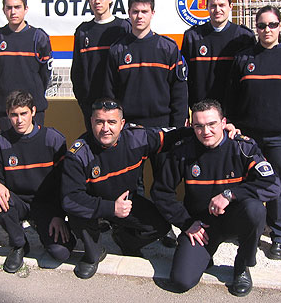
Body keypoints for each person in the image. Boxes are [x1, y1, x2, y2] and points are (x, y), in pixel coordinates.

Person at [151, 99, 280, 297]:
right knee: (181, 281)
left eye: (212, 124)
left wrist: (230, 194)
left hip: (234, 219)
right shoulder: (182, 151)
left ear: (223, 122)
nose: (206, 131)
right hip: (201, 226)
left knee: (255, 209)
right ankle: (204, 255)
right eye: (199, 126)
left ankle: (242, 267)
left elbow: (272, 184)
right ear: (191, 126)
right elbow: (161, 192)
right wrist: (186, 223)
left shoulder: (242, 147)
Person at [61, 98, 189, 279]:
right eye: (99, 122)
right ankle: (93, 254)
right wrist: (110, 208)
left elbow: (172, 135)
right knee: (77, 213)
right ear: (91, 122)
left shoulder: (137, 138)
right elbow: (70, 198)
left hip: (126, 203)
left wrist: (211, 130)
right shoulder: (79, 154)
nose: (105, 128)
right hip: (95, 207)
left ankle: (126, 241)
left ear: (122, 124)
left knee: (160, 226)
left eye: (112, 122)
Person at [224, 5, 281, 260]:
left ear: (280, 27)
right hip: (248, 137)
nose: (267, 30)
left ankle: (279, 236)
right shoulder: (243, 58)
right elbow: (231, 97)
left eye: (272, 25)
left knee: (280, 187)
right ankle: (245, 228)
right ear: (256, 28)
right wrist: (230, 123)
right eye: (262, 25)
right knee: (246, 184)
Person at [104, 0, 188, 247]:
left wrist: (177, 125)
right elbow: (110, 93)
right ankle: (134, 228)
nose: (139, 16)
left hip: (163, 128)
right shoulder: (118, 49)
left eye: (144, 11)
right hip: (130, 129)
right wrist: (117, 126)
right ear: (128, 13)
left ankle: (167, 229)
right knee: (133, 183)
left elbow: (179, 90)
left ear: (153, 13)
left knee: (164, 183)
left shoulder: (167, 47)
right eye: (134, 11)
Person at [0, 90, 75, 273]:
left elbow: (64, 182)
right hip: (17, 201)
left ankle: (43, 226)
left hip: (46, 204)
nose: (19, 120)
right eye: (14, 115)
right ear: (7, 114)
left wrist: (58, 214)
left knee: (61, 252)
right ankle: (19, 244)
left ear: (33, 111)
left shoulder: (53, 139)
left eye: (23, 113)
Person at [0, 0, 53, 131]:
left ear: (26, 8)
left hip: (34, 109)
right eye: (9, 7)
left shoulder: (39, 37)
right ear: (4, 10)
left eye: (17, 7)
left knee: (34, 151)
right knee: (6, 152)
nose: (13, 12)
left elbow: (45, 75)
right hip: (5, 110)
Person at [181, 0, 255, 108]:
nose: (217, 10)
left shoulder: (244, 37)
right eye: (213, 5)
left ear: (230, 6)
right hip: (202, 111)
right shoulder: (192, 37)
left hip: (234, 110)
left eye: (222, 5)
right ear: (207, 7)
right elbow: (185, 79)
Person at [71, 0, 131, 131]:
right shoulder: (83, 31)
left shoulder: (123, 27)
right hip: (92, 104)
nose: (97, 1)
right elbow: (77, 71)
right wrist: (84, 101)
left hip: (120, 103)